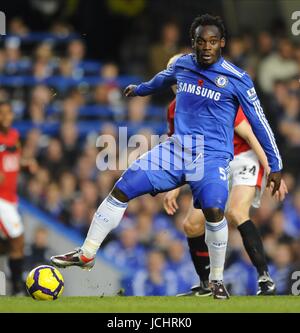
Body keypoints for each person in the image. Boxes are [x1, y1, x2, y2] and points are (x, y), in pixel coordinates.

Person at [50, 14, 283, 299]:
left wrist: (275, 164)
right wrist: (140, 90)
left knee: (213, 209)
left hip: (212, 157)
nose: (206, 47)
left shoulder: (237, 79)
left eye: (212, 41)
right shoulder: (183, 65)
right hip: (176, 150)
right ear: (193, 43)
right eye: (201, 41)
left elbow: (259, 123)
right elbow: (162, 79)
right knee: (123, 187)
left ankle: (217, 281)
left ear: (222, 43)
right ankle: (87, 253)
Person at [164, 99, 287, 296]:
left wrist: (273, 169)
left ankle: (265, 278)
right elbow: (182, 150)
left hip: (243, 156)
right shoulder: (174, 109)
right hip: (215, 160)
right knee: (191, 225)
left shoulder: (215, 96)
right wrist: (174, 187)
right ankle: (206, 285)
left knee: (236, 212)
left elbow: (249, 134)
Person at [0, 101, 37, 295]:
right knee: (18, 239)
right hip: (0, 199)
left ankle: (14, 283)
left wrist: (26, 165)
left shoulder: (14, 136)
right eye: (2, 114)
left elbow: (14, 159)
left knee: (9, 244)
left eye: (9, 113)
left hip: (11, 198)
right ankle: (17, 286)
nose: (6, 117)